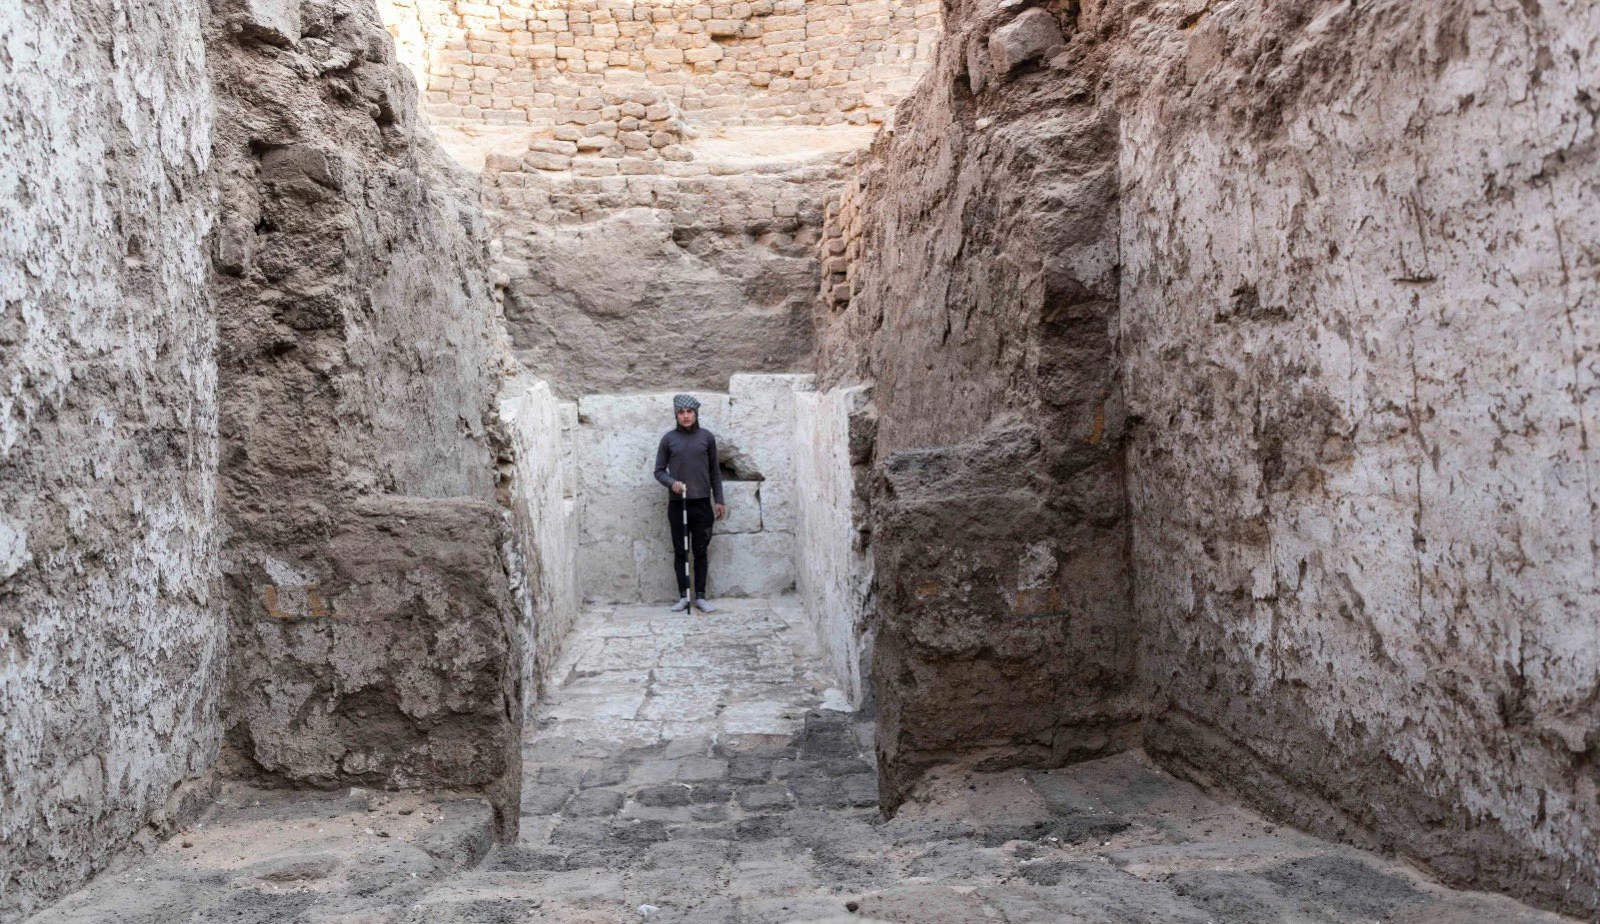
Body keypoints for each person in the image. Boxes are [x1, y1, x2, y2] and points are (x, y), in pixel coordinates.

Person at [653, 394, 725, 612]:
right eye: (681, 413)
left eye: (689, 412)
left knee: (700, 550)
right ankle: (683, 596)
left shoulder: (707, 438)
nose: (685, 416)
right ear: (676, 415)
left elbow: (715, 471)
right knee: (680, 551)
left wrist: (719, 500)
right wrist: (671, 482)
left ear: (696, 414)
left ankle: (701, 596)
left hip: (702, 504)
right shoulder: (668, 439)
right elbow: (658, 471)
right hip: (678, 504)